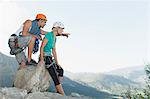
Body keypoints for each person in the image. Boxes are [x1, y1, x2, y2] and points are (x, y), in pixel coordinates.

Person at [39, 22, 67, 95]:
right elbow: (42, 47)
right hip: (45, 57)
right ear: (57, 28)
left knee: (60, 70)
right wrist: (41, 60)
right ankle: (62, 94)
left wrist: (57, 63)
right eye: (61, 29)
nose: (62, 31)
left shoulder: (54, 38)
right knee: (54, 76)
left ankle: (58, 91)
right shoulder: (48, 35)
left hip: (50, 57)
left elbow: (54, 50)